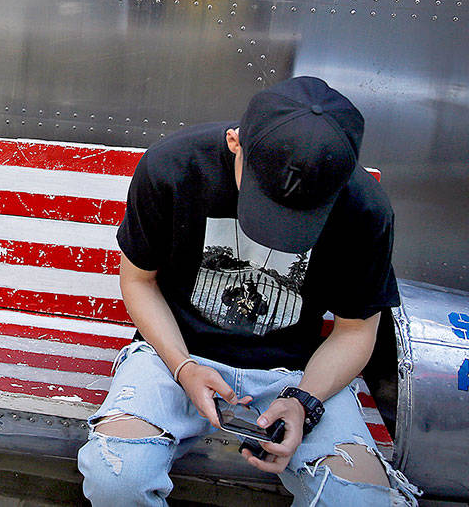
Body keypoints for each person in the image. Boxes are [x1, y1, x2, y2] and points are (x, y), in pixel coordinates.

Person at [78, 76, 419, 505]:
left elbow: (355, 330)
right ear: (234, 142)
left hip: (297, 373)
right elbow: (138, 281)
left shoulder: (366, 207)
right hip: (174, 353)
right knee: (117, 478)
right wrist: (183, 367)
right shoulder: (174, 165)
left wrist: (303, 402)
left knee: (360, 500)